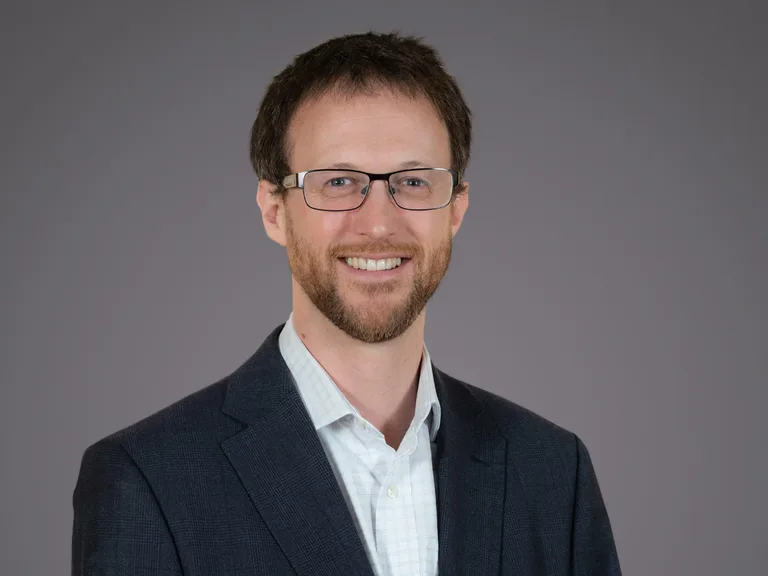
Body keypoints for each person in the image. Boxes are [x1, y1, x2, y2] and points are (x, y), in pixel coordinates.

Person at [72, 31, 622, 575]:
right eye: (337, 181)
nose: (378, 223)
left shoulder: (553, 473)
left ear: (455, 209)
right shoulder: (147, 480)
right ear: (274, 211)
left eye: (413, 181)